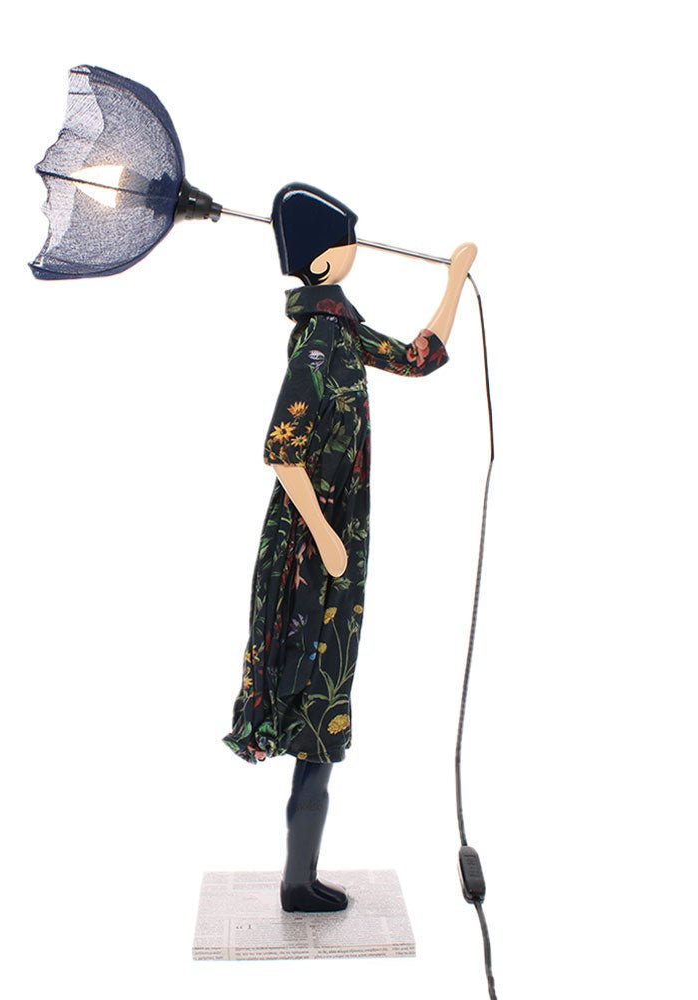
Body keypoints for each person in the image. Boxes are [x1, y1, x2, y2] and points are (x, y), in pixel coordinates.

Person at [222, 182, 476, 912]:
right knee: (317, 711)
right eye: (347, 240)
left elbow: (417, 359)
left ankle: (300, 877)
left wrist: (454, 282)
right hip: (314, 551)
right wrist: (327, 538)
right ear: (322, 261)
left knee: (323, 711)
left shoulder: (338, 329)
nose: (357, 249)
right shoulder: (321, 339)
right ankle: (297, 882)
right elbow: (282, 450)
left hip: (333, 539)